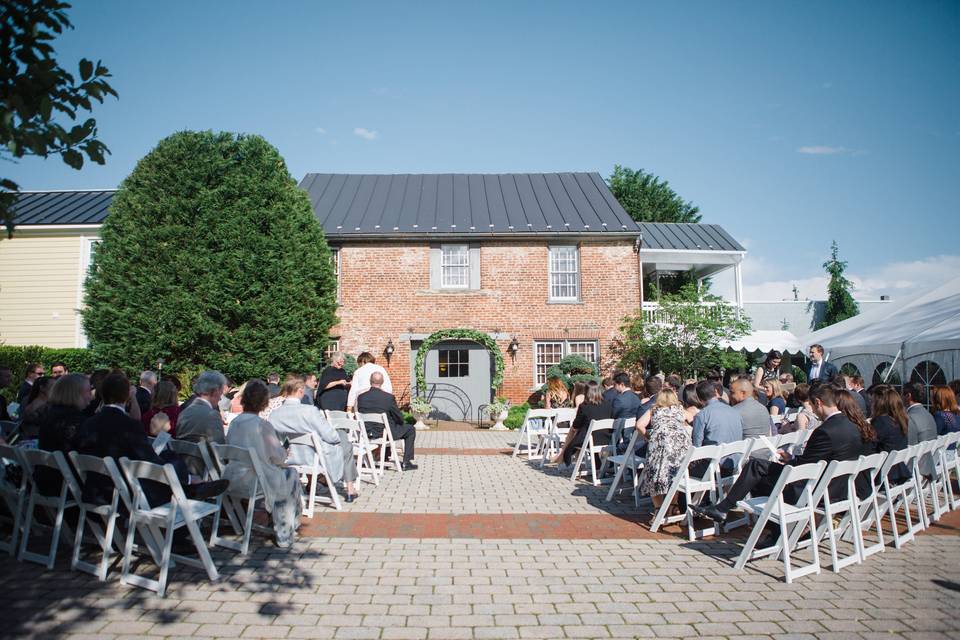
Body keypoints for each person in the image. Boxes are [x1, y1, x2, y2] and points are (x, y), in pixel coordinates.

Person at [694, 385, 863, 540]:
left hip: (809, 490)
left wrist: (790, 464)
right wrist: (791, 459)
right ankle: (729, 512)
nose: (813, 411)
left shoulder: (825, 431)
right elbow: (815, 460)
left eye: (812, 405)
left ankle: (774, 533)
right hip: (837, 488)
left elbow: (804, 468)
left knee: (755, 470)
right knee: (757, 468)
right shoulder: (852, 426)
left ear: (818, 402)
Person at [73, 372, 228, 507]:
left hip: (93, 491)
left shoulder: (88, 423)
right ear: (128, 395)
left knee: (168, 457)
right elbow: (150, 460)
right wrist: (187, 477)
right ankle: (191, 490)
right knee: (167, 463)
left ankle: (191, 488)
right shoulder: (130, 425)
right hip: (123, 495)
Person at [220, 380, 302, 548]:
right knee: (291, 475)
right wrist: (283, 452)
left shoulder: (235, 423)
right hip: (256, 480)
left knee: (285, 475)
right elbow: (277, 458)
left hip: (232, 476)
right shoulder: (262, 425)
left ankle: (285, 526)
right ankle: (285, 530)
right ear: (264, 402)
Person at [268, 376, 359, 502]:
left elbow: (275, 439)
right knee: (344, 442)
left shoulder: (275, 414)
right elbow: (330, 436)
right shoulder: (309, 411)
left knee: (340, 440)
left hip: (290, 457)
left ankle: (316, 484)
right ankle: (350, 489)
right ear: (300, 391)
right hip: (314, 457)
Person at [36, 373, 92, 496]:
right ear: (75, 393)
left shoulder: (52, 414)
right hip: (66, 485)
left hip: (46, 479)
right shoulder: (74, 420)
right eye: (88, 391)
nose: (91, 396)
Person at [637, 389, 690, 513]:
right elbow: (692, 417)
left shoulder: (654, 410)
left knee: (653, 475)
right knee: (676, 474)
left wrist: (649, 436)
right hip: (680, 447)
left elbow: (639, 425)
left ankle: (658, 508)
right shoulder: (680, 409)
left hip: (660, 444)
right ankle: (673, 505)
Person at [356, 371, 417, 470]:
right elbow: (399, 417)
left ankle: (384, 457)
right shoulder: (388, 398)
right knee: (410, 429)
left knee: (389, 425)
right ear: (382, 382)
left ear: (370, 381)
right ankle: (406, 462)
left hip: (366, 432)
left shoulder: (361, 397)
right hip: (384, 433)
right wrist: (399, 422)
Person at [176, 370, 228, 474]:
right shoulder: (211, 415)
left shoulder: (185, 411)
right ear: (214, 391)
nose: (220, 399)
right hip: (204, 471)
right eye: (221, 394)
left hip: (183, 468)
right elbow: (220, 452)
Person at [551, 380, 613, 466]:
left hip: (589, 440)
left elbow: (576, 425)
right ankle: (562, 456)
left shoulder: (585, 406)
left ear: (587, 392)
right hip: (608, 438)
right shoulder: (608, 405)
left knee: (574, 431)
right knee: (583, 432)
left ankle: (562, 455)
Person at [869, 385, 910, 484]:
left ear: (879, 403)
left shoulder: (881, 422)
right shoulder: (900, 421)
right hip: (897, 470)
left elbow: (870, 446)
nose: (871, 403)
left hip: (885, 474)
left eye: (873, 401)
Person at [691, 380, 743, 447]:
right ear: (715, 392)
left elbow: (697, 445)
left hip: (713, 455)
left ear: (698, 398)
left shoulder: (702, 415)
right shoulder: (734, 411)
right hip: (736, 455)